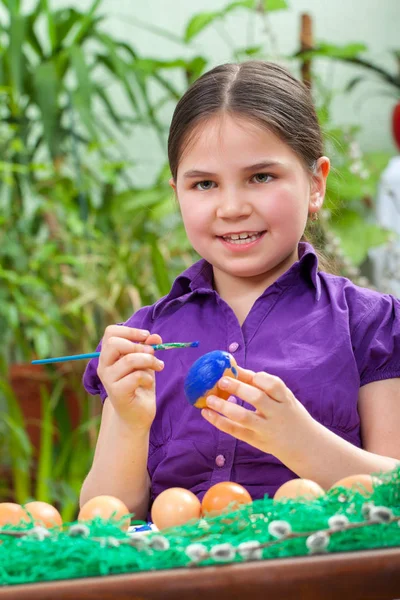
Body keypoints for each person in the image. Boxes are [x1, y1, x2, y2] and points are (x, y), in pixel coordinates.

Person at [80, 61, 400, 522]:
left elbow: (394, 499)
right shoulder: (142, 340)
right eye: (204, 184)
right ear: (178, 194)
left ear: (315, 184)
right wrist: (130, 425)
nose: (231, 208)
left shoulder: (371, 326)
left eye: (261, 177)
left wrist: (300, 440)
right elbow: (105, 519)